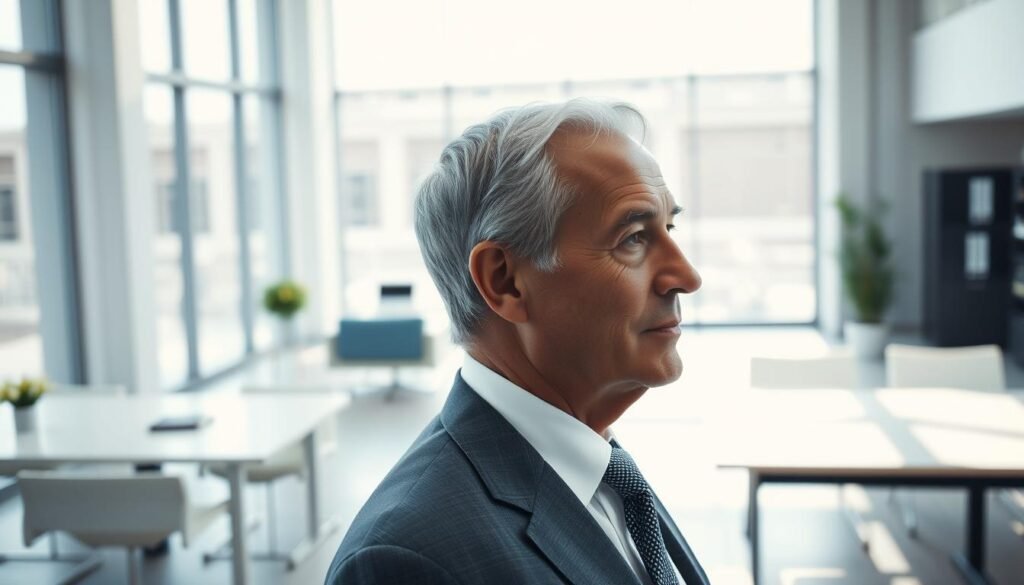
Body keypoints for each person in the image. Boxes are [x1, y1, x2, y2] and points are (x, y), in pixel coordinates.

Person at [326, 99, 708, 585]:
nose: (686, 276)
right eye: (633, 237)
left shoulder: (601, 470)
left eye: (668, 228)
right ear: (504, 281)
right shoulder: (405, 560)